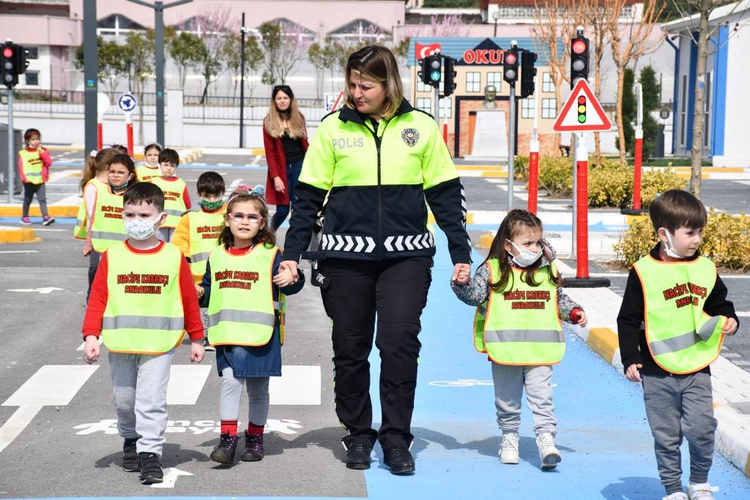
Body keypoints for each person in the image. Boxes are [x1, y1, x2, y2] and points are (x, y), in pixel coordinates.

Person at [279, 45, 472, 475]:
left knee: (399, 346)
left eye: (365, 85)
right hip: (345, 261)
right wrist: (291, 257)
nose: (356, 92)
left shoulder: (421, 127)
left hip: (407, 260)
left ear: (389, 84)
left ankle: (397, 439)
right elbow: (307, 201)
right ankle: (359, 434)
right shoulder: (332, 130)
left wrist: (461, 253)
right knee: (350, 349)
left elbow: (444, 196)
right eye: (351, 84)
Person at [617, 190, 739, 500]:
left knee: (702, 428)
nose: (697, 239)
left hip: (696, 368)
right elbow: (627, 319)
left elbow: (720, 305)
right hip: (656, 372)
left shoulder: (705, 268)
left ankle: (699, 482)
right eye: (689, 232)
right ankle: (672, 489)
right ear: (664, 234)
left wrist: (730, 319)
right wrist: (631, 357)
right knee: (666, 436)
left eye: (700, 231)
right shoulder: (643, 272)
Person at [81, 182, 205, 485]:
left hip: (159, 345)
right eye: (131, 214)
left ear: (160, 219)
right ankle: (130, 438)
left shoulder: (173, 256)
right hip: (121, 343)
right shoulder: (113, 255)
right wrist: (90, 336)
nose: (136, 221)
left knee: (151, 401)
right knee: (124, 401)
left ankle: (150, 454)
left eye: (144, 215)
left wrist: (197, 338)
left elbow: (189, 299)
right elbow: (98, 297)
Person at [452, 209, 587, 470]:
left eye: (538, 242)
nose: (534, 248)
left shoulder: (547, 271)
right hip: (505, 351)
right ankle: (509, 437)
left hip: (540, 351)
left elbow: (558, 300)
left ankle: (546, 439)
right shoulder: (493, 271)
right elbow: (474, 295)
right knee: (507, 400)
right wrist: (462, 283)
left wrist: (574, 312)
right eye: (527, 243)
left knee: (542, 396)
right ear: (509, 246)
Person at [197, 188, 304, 465]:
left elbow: (292, 282)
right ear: (227, 220)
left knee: (258, 390)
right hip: (228, 335)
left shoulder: (270, 255)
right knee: (231, 383)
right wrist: (199, 293)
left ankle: (255, 438)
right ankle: (228, 438)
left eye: (252, 217)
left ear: (262, 222)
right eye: (239, 216)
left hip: (260, 335)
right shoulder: (217, 254)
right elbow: (209, 291)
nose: (245, 222)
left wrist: (293, 277)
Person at [172, 171, 226, 350]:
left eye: (216, 195)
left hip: (223, 271)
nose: (211, 200)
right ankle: (203, 334)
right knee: (201, 305)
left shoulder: (230, 215)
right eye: (206, 196)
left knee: (219, 304)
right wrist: (185, 269)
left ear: (223, 193)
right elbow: (180, 242)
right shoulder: (189, 217)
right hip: (197, 273)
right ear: (199, 194)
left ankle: (214, 335)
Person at [82, 152, 135, 302]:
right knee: (105, 285)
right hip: (103, 250)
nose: (116, 175)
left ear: (130, 176)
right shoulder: (100, 193)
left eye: (121, 172)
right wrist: (88, 243)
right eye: (112, 172)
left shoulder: (134, 196)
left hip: (127, 251)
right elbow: (94, 220)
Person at [263, 84, 309, 231]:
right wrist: (276, 177)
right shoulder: (268, 121)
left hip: (299, 166)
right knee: (283, 210)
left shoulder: (299, 118)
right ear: (274, 101)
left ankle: (295, 242)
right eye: (279, 98)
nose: (282, 101)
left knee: (298, 208)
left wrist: (305, 137)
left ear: (290, 100)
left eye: (285, 98)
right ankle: (270, 234)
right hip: (281, 170)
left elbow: (305, 145)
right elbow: (270, 152)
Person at [150, 148, 191, 241]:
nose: (169, 168)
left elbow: (187, 205)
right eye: (166, 165)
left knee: (174, 249)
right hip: (158, 223)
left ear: (177, 166)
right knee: (159, 248)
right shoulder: (153, 182)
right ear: (159, 165)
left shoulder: (181, 183)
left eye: (172, 165)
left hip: (177, 224)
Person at [18, 128, 55, 226]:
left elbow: (48, 163)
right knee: (27, 199)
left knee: (42, 199)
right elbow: (21, 166)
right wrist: (24, 178)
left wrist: (42, 153)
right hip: (29, 181)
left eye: (37, 139)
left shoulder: (43, 151)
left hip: (40, 180)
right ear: (27, 141)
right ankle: (25, 217)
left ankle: (45, 216)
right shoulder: (23, 153)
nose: (36, 141)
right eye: (33, 139)